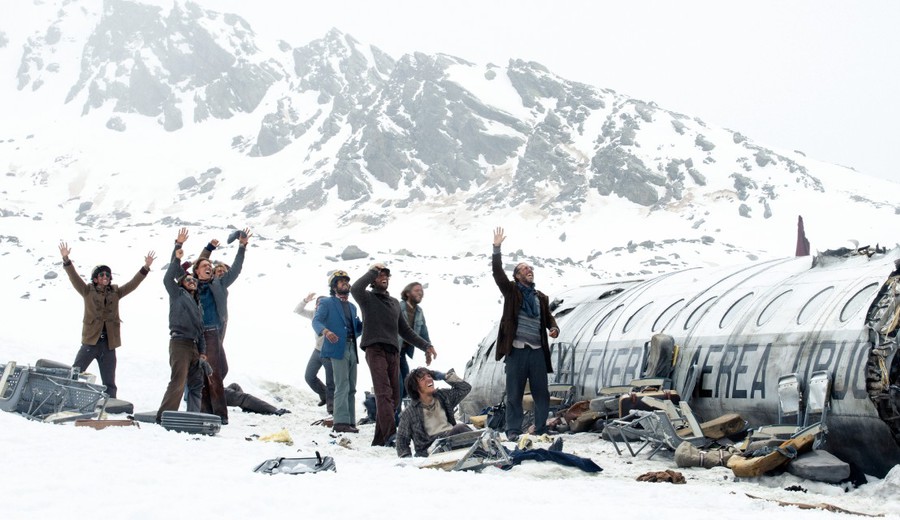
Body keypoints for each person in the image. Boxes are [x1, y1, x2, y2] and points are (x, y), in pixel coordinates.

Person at [351, 263, 437, 447]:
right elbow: (356, 288)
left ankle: (380, 439)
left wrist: (426, 345)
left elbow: (405, 330)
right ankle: (392, 435)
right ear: (373, 280)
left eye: (386, 275)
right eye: (380, 275)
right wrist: (373, 270)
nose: (384, 277)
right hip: (375, 349)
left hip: (393, 352)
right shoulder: (367, 298)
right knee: (384, 394)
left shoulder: (393, 304)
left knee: (395, 397)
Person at [59, 241, 156, 398]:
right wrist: (66, 259)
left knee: (109, 381)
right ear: (95, 279)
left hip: (109, 344)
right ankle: (63, 398)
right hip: (91, 342)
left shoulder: (116, 292)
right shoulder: (87, 291)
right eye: (102, 274)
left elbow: (133, 284)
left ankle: (111, 406)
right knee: (75, 372)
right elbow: (73, 277)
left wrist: (145, 267)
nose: (105, 276)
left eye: (108, 274)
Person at [491, 227, 560, 441]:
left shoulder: (540, 297)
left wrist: (553, 327)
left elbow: (547, 317)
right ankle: (513, 430)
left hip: (537, 351)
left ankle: (540, 427)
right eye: (524, 269)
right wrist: (496, 248)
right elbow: (497, 273)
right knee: (515, 394)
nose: (529, 270)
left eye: (531, 268)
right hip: (517, 351)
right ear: (517, 275)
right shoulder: (512, 291)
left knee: (541, 392)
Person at [185, 228, 251, 424]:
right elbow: (197, 262)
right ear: (198, 271)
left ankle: (220, 414)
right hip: (196, 334)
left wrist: (242, 246)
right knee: (201, 373)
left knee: (214, 373)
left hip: (212, 333)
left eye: (209, 265)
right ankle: (205, 410)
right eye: (204, 265)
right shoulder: (193, 283)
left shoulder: (219, 284)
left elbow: (237, 268)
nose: (208, 267)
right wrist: (208, 249)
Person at [156, 228, 206, 423]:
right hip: (180, 343)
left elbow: (201, 329)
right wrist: (178, 247)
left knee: (196, 383)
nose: (192, 281)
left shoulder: (197, 303)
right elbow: (169, 277)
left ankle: (193, 416)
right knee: (178, 381)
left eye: (194, 279)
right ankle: (164, 416)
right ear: (182, 283)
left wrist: (202, 351)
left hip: (194, 345)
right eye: (188, 279)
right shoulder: (177, 295)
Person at [313, 270, 363, 433]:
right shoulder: (327, 303)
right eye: (341, 281)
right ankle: (340, 422)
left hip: (351, 348)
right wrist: (326, 332)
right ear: (334, 287)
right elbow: (316, 321)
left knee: (352, 386)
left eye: (346, 281)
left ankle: (350, 421)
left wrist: (364, 325)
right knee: (342, 384)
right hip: (337, 349)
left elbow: (356, 330)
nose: (345, 283)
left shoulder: (353, 307)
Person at [395, 367, 472, 458]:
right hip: (431, 451)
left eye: (429, 376)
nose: (429, 379)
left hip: (451, 440)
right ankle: (483, 451)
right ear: (415, 387)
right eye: (423, 379)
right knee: (460, 428)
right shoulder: (409, 412)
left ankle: (482, 451)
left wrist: (444, 376)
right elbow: (402, 440)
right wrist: (407, 459)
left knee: (466, 431)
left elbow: (465, 388)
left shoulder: (443, 396)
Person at [295, 293, 334, 414]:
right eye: (318, 303)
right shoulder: (313, 314)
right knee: (309, 376)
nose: (319, 305)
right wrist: (305, 300)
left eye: (322, 303)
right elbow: (298, 310)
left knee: (331, 381)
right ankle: (324, 395)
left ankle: (332, 407)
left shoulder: (332, 316)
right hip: (317, 351)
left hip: (329, 352)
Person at [397, 282, 431, 415]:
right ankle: (395, 417)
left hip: (403, 352)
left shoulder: (419, 311)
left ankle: (403, 413)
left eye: (421, 291)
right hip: (393, 350)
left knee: (407, 382)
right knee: (398, 384)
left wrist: (428, 349)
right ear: (407, 293)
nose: (420, 293)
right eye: (416, 290)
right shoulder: (398, 307)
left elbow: (423, 332)